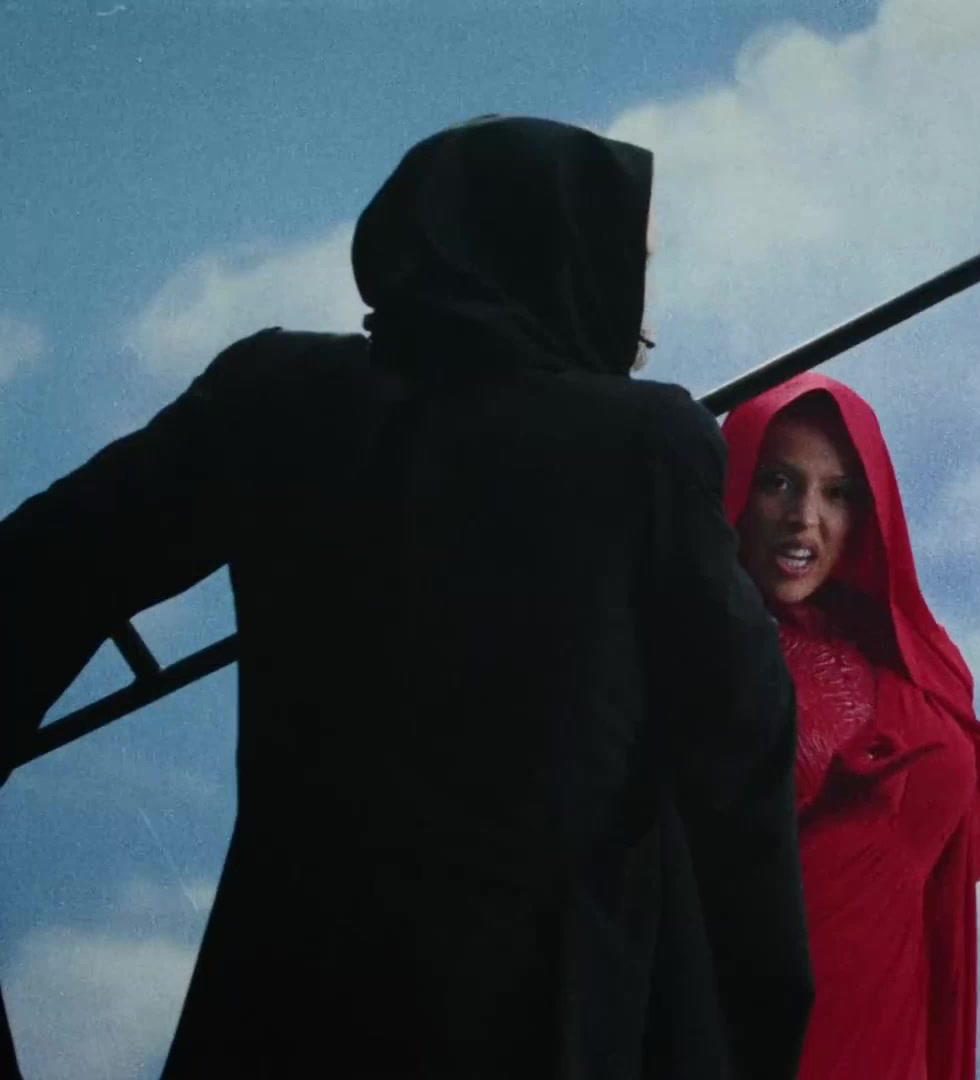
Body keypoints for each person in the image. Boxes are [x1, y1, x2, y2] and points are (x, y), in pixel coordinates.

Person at [0, 116, 811, 1079]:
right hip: (544, 1022)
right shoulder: (644, 441)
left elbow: (45, 566)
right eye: (625, 266)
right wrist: (758, 1034)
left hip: (283, 1007)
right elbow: (741, 755)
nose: (641, 326)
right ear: (559, 256)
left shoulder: (276, 393)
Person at [719, 373, 980, 1080]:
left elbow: (948, 901)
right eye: (778, 482)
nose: (804, 517)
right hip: (747, 1040)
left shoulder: (914, 659)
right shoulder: (688, 652)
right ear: (734, 487)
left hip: (892, 1041)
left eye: (837, 492)